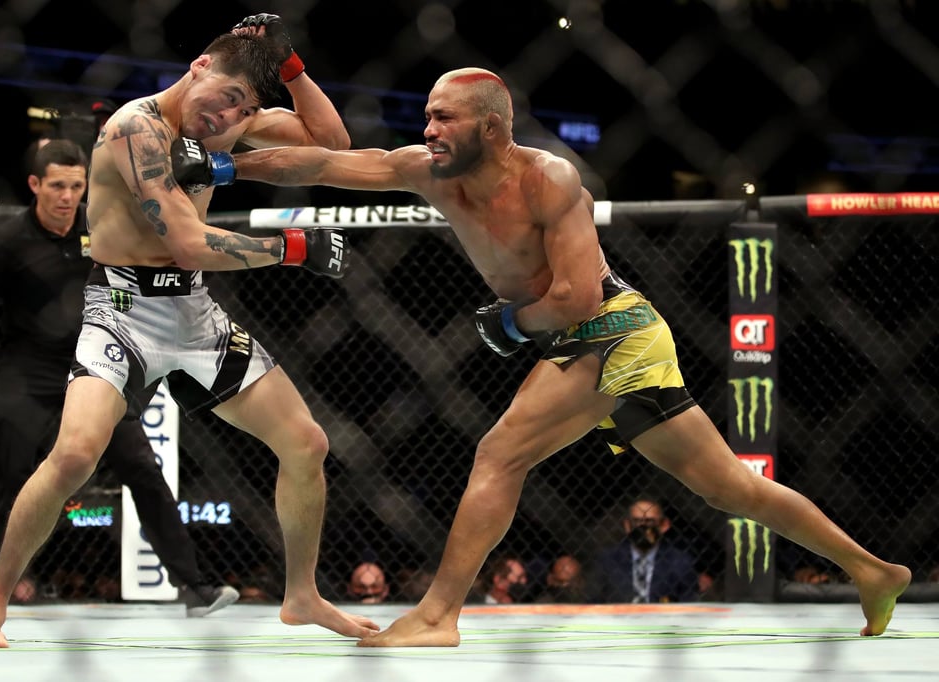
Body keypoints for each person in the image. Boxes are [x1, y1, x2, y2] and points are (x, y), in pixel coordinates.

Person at [170, 66, 911, 645]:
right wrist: (227, 169)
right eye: (427, 115)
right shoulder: (429, 170)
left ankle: (438, 615)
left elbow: (579, 298)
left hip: (611, 332)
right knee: (731, 489)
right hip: (584, 339)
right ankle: (873, 570)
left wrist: (513, 324)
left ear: (491, 127)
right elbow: (330, 165)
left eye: (443, 117)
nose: (427, 128)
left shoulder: (547, 179)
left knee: (500, 453)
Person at [0, 13, 376, 649]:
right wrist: (292, 247)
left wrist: (290, 67)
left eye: (246, 108)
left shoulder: (230, 121)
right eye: (227, 97)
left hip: (194, 311)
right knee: (74, 456)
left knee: (306, 443)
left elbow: (332, 142)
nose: (228, 117)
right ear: (198, 66)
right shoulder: (136, 127)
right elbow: (186, 241)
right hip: (121, 309)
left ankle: (302, 596)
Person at [0, 139, 238, 619]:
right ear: (35, 184)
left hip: (96, 369)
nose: (67, 196)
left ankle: (195, 586)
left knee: (142, 468)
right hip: (28, 375)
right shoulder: (9, 238)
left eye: (76, 186)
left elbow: (143, 278)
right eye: (57, 185)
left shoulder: (100, 227)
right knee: (10, 478)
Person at [589, 496, 697, 604]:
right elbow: (594, 600)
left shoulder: (679, 561)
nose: (642, 526)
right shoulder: (608, 559)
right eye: (637, 521)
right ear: (627, 525)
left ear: (664, 525)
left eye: (649, 521)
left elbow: (689, 602)